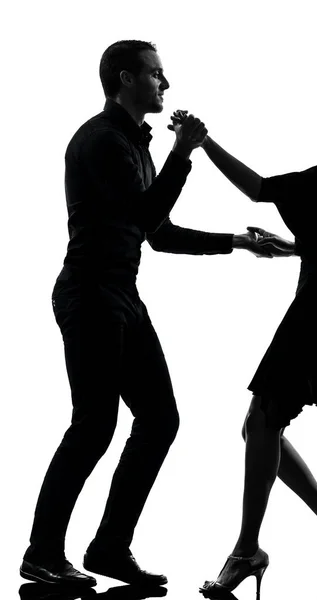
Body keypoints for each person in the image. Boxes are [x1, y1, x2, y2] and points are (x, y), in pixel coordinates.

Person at [19, 39, 292, 589]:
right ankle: (42, 553)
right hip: (89, 293)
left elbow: (159, 236)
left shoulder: (134, 147)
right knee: (94, 424)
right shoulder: (100, 141)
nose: (165, 85)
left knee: (160, 418)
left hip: (120, 294)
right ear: (125, 79)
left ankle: (108, 548)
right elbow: (146, 217)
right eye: (156, 75)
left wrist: (237, 241)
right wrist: (184, 153)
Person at [187, 62, 317, 597]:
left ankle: (247, 549)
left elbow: (259, 188)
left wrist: (203, 142)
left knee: (261, 421)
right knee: (260, 426)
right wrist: (288, 247)